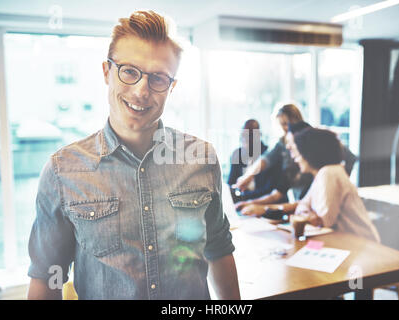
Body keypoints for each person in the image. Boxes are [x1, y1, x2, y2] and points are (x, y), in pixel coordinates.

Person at [27, 10, 240, 300]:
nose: (141, 91)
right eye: (129, 71)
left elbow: (219, 249)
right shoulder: (63, 171)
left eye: (158, 79)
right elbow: (46, 277)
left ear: (171, 87)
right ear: (107, 72)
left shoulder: (201, 158)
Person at [291, 128, 380, 242]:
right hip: (345, 241)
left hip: (362, 243)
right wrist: (308, 215)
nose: (295, 159)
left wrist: (307, 216)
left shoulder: (330, 172)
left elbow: (325, 220)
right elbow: (302, 205)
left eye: (298, 154)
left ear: (309, 154)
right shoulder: (321, 174)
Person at [233, 104, 306, 210]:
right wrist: (248, 176)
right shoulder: (282, 143)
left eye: (286, 124)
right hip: (298, 203)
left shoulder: (304, 149)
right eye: (281, 125)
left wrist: (257, 206)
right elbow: (266, 159)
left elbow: (277, 194)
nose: (285, 129)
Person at [227, 119, 279, 202]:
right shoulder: (237, 155)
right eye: (243, 135)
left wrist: (243, 196)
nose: (245, 139)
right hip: (240, 202)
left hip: (263, 202)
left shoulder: (269, 156)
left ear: (259, 135)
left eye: (250, 135)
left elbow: (269, 190)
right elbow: (231, 184)